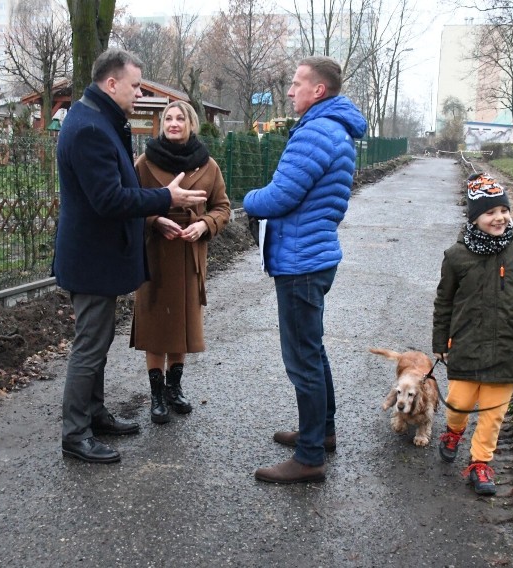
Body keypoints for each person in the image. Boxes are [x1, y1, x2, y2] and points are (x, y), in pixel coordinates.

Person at [53, 48, 206, 464]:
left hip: (98, 257)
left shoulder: (98, 120)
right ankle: (74, 434)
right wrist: (164, 198)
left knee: (98, 344)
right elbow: (108, 199)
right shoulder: (89, 128)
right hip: (91, 260)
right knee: (90, 346)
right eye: (136, 85)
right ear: (112, 83)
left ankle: (95, 413)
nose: (140, 93)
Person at [243, 56, 367, 484]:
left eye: (297, 84)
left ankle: (310, 455)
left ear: (319, 90)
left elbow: (280, 196)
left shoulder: (316, 130)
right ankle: (322, 431)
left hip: (300, 260)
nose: (290, 91)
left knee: (302, 359)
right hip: (313, 255)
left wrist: (248, 198)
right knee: (312, 350)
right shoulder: (334, 128)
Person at [433, 172, 513, 494]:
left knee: (492, 414)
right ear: (474, 218)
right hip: (466, 345)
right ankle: (454, 432)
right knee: (458, 402)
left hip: (509, 350)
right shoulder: (456, 256)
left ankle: (480, 462)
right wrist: (439, 342)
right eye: (490, 212)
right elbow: (444, 301)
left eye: (503, 210)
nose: (499, 217)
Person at [130, 100, 230, 424]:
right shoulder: (144, 162)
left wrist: (204, 225)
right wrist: (155, 220)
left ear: (191, 125)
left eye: (180, 119)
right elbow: (129, 204)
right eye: (169, 118)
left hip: (189, 255)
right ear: (162, 125)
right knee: (155, 326)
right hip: (155, 254)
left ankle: (174, 388)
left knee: (182, 325)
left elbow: (222, 207)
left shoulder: (208, 165)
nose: (174, 123)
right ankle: (156, 395)